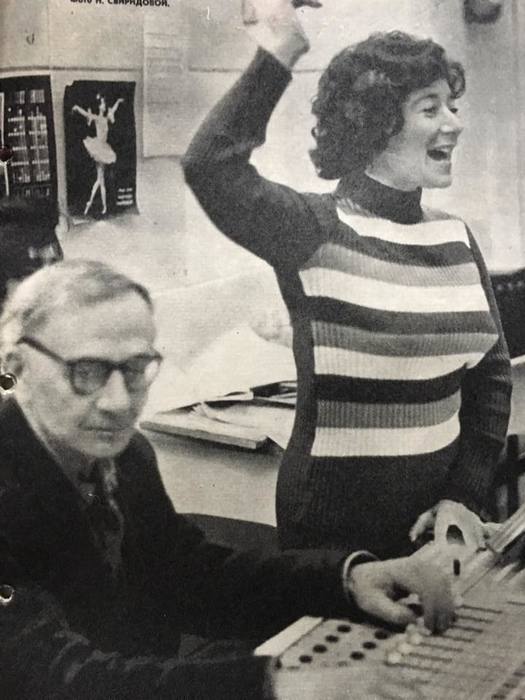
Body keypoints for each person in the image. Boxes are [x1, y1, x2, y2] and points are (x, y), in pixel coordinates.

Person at [0, 259, 457, 699]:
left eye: (136, 369)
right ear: (16, 366)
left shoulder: (127, 454)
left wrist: (347, 579)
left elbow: (187, 576)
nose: (118, 402)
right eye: (86, 372)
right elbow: (52, 678)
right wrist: (271, 687)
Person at [182, 0, 511, 558]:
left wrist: (464, 495)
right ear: (376, 123)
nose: (454, 124)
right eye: (430, 108)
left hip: (435, 529)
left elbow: (491, 376)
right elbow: (209, 165)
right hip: (335, 537)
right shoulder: (312, 228)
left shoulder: (454, 235)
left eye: (452, 106)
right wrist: (280, 50)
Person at [72, 95, 124, 216]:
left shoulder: (106, 118)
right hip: (99, 148)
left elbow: (113, 110)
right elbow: (86, 114)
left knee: (100, 180)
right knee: (101, 180)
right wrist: (77, 108)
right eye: (102, 104)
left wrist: (117, 101)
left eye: (104, 104)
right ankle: (101, 206)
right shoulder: (97, 118)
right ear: (99, 106)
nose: (104, 106)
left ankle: (91, 204)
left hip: (103, 148)